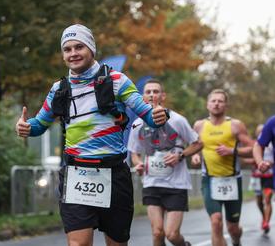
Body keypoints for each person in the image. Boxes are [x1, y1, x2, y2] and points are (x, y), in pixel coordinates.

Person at [15, 24, 168, 246]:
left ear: (91, 49)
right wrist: (26, 127)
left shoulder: (117, 81)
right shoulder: (59, 89)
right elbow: (39, 124)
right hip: (77, 174)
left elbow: (148, 115)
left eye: (79, 47)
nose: (73, 53)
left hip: (114, 174)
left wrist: (157, 116)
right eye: (67, 49)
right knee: (78, 244)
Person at [127, 79, 203, 246]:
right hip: (152, 182)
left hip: (176, 185)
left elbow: (198, 143)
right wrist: (138, 163)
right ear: (143, 97)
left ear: (163, 95)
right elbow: (134, 153)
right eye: (148, 92)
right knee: (157, 232)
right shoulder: (137, 124)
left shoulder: (177, 120)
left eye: (156, 91)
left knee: (172, 234)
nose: (152, 94)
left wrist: (181, 155)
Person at [191, 89, 254, 246]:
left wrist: (232, 151)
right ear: (207, 105)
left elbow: (253, 148)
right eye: (213, 101)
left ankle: (236, 240)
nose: (216, 104)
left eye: (220, 101)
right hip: (210, 180)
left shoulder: (235, 125)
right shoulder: (199, 125)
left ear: (226, 105)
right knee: (216, 222)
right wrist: (195, 156)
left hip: (232, 180)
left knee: (233, 227)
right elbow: (193, 147)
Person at [248, 124, 274, 233]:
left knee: (267, 198)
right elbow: (246, 160)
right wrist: (257, 162)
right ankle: (263, 217)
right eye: (259, 131)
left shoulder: (272, 144)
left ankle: (266, 222)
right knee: (259, 201)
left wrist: (270, 163)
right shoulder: (254, 144)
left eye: (262, 131)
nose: (261, 133)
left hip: (269, 175)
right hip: (257, 176)